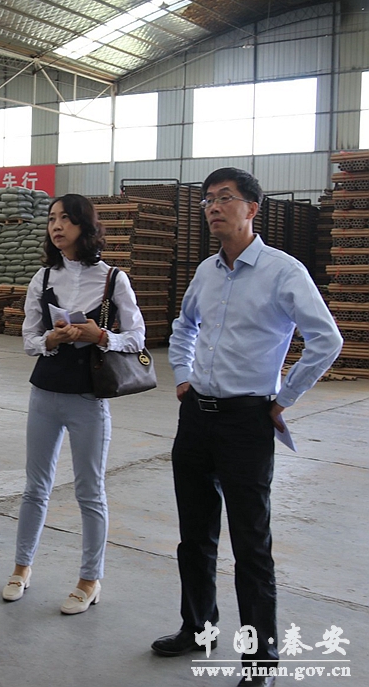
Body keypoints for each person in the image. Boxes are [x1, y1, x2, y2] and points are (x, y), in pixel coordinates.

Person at [151, 168, 343, 687]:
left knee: (251, 545)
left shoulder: (283, 271)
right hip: (197, 417)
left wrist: (284, 398)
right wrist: (183, 375)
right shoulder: (206, 271)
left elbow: (327, 340)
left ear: (252, 208)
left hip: (247, 422)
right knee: (194, 536)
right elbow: (184, 327)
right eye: (207, 200)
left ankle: (260, 662)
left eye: (225, 198)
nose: (213, 207)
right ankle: (198, 628)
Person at [2, 193, 145, 615]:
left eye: (65, 218)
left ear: (85, 225)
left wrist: (101, 336)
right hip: (45, 394)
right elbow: (29, 339)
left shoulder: (113, 278)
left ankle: (89, 579)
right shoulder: (43, 277)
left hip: (88, 398)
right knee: (35, 487)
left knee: (89, 490)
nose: (56, 226)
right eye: (52, 219)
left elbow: (137, 337)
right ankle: (21, 567)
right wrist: (51, 338)